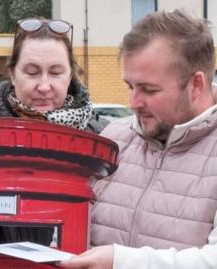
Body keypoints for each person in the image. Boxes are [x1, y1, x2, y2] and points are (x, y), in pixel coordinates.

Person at [60, 9, 217, 269]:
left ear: (196, 85)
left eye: (149, 90)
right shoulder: (114, 140)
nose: (133, 103)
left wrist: (121, 262)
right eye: (130, 87)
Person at [0, 18, 108, 246]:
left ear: (71, 76)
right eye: (32, 72)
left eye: (55, 72)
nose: (44, 86)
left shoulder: (104, 139)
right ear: (13, 74)